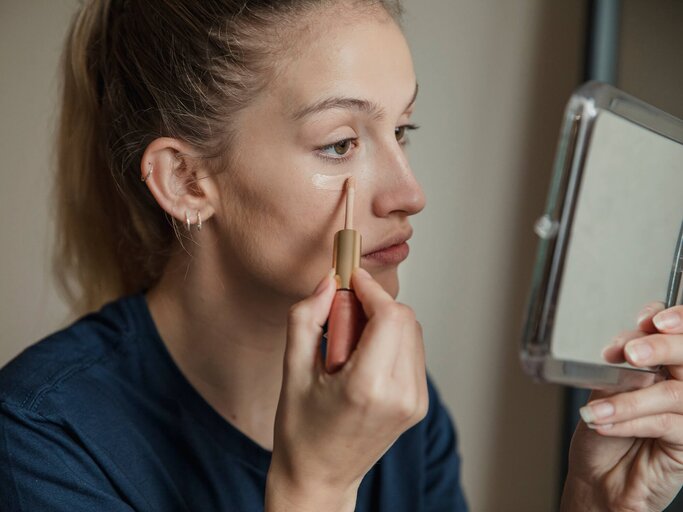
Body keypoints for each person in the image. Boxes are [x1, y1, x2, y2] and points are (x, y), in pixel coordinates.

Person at [0, 1, 682, 511]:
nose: (409, 193)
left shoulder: (392, 407)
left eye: (402, 129)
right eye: (339, 143)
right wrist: (316, 486)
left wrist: (596, 502)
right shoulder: (41, 442)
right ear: (185, 181)